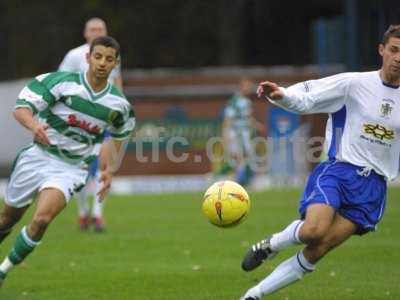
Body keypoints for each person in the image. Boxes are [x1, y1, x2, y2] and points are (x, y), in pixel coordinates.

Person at [240, 24, 400, 300]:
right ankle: (272, 244)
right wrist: (282, 95)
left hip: (373, 188)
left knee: (318, 248)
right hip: (339, 171)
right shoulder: (354, 84)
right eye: (394, 50)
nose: (398, 58)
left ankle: (253, 295)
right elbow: (309, 97)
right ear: (382, 50)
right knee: (314, 229)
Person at [0, 36, 135, 286]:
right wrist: (34, 126)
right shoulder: (61, 83)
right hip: (37, 157)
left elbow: (116, 136)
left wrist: (108, 169)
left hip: (71, 168)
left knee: (41, 219)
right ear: (87, 58)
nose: (102, 63)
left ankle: (3, 270)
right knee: (7, 220)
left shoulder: (119, 105)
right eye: (98, 57)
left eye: (109, 59)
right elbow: (21, 108)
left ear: (116, 64)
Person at [59, 17, 123, 231]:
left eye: (100, 29)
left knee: (103, 166)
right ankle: (83, 212)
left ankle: (97, 214)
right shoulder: (74, 56)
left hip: (105, 117)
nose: (96, 32)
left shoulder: (113, 55)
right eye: (92, 29)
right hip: (78, 120)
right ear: (85, 34)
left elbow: (117, 83)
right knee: (81, 168)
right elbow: (60, 83)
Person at [220, 78, 264, 186]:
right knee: (239, 156)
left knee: (246, 156)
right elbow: (228, 119)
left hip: (246, 133)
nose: (249, 89)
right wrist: (226, 134)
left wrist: (258, 125)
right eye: (247, 86)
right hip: (237, 133)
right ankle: (238, 181)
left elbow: (248, 118)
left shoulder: (247, 102)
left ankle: (242, 180)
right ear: (241, 86)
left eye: (250, 87)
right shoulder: (234, 101)